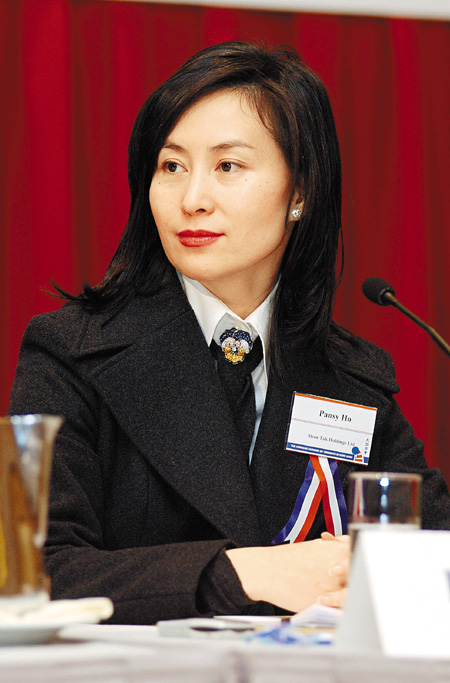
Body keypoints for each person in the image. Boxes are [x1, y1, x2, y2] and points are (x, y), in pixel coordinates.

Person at [8, 41, 450, 625]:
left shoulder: (350, 379)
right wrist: (242, 575)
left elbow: (433, 554)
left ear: (300, 192)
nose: (192, 200)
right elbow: (34, 572)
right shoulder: (71, 353)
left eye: (227, 167)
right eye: (172, 167)